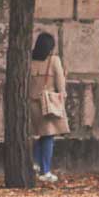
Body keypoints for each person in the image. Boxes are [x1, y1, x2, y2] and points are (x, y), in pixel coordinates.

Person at [29, 32, 68, 183]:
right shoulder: (54, 60)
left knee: (40, 135)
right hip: (48, 104)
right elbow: (60, 85)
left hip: (32, 103)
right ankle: (45, 171)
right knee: (48, 137)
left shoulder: (30, 60)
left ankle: (36, 165)